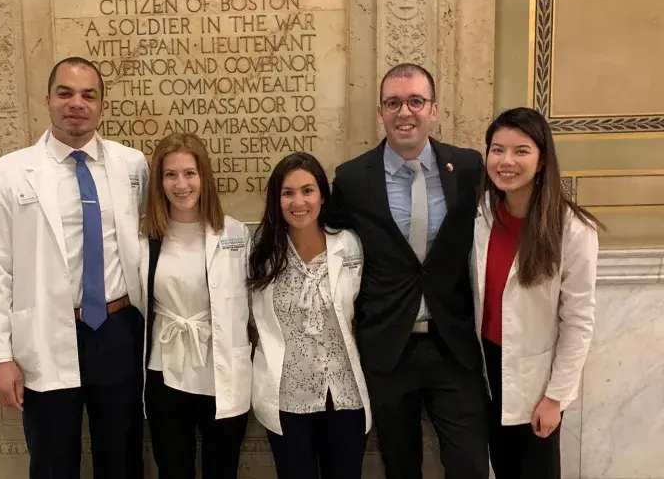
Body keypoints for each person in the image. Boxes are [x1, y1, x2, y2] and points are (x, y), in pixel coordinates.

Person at [0, 56, 148, 479]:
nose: (77, 103)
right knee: (52, 459)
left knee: (121, 457)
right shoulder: (10, 173)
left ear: (102, 105)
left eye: (89, 95)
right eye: (65, 93)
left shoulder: (132, 165)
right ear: (48, 99)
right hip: (46, 333)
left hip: (117, 329)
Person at [329, 63, 489, 478]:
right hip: (387, 349)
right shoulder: (351, 178)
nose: (405, 112)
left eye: (416, 101)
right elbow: (331, 243)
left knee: (470, 465)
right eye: (393, 103)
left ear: (433, 110)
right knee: (400, 467)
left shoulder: (469, 168)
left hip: (453, 345)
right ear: (380, 112)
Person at [472, 107, 600, 478]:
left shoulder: (573, 230)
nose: (506, 161)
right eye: (497, 150)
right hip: (486, 371)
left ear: (542, 160)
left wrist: (555, 398)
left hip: (535, 381)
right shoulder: (481, 214)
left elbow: (578, 322)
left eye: (520, 151)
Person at [248, 152, 372, 479]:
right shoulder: (261, 252)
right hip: (287, 399)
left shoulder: (349, 245)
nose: (298, 201)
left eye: (308, 190)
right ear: (277, 200)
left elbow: (366, 312)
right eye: (288, 193)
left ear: (322, 195)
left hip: (345, 396)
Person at [139, 132, 252, 479]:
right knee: (173, 468)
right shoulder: (144, 237)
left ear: (204, 177)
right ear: (159, 181)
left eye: (189, 173)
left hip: (221, 370)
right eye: (170, 174)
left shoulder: (235, 234)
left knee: (222, 468)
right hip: (166, 370)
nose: (181, 184)